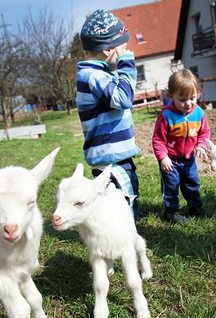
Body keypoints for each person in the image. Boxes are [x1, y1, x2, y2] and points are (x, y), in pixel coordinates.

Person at [76, 9, 141, 221]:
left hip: (113, 157)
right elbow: (123, 99)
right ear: (109, 50)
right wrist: (127, 63)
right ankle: (125, 244)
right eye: (123, 48)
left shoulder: (97, 75)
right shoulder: (93, 76)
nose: (127, 51)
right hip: (112, 160)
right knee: (123, 204)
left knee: (117, 204)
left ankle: (119, 240)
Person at [152, 69, 211, 224]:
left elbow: (204, 132)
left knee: (192, 183)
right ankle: (171, 211)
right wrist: (163, 158)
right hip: (170, 160)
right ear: (171, 97)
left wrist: (201, 146)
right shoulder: (166, 116)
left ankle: (195, 207)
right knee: (171, 186)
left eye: (192, 98)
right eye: (183, 99)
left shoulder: (198, 113)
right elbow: (158, 140)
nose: (189, 103)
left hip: (188, 158)